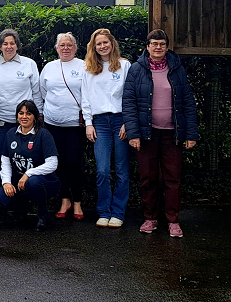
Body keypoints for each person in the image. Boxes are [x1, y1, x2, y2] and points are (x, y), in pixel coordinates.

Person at [123, 29, 198, 238]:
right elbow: (128, 103)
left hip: (172, 134)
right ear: (147, 47)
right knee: (148, 178)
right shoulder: (137, 70)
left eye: (162, 44)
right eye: (154, 44)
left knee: (172, 179)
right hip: (147, 134)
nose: (158, 47)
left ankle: (173, 220)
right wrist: (133, 133)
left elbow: (188, 102)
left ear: (167, 47)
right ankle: (150, 218)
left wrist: (191, 134)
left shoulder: (176, 69)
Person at [0, 29, 43, 207]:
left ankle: (22, 200)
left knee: (23, 161)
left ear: (17, 45)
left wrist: (38, 117)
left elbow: (37, 92)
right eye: (5, 43)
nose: (9, 46)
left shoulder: (29, 64)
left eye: (12, 43)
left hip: (23, 123)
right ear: (0, 46)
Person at [80, 28, 132, 228]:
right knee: (102, 170)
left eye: (105, 43)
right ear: (94, 47)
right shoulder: (89, 69)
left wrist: (128, 122)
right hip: (99, 124)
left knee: (121, 170)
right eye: (98, 44)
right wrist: (88, 124)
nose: (102, 46)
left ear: (112, 44)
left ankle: (118, 213)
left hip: (121, 122)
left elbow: (131, 96)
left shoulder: (125, 66)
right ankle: (104, 211)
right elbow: (86, 99)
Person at [0, 100, 60, 232]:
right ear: (17, 116)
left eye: (28, 113)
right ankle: (20, 211)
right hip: (20, 181)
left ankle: (42, 217)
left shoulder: (43, 134)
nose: (24, 117)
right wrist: (6, 183)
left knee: (32, 182)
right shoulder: (11, 134)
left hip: (45, 181)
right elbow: (5, 161)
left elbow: (53, 163)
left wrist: (29, 173)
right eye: (21, 113)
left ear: (35, 116)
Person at [39, 32, 86, 220]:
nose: (65, 48)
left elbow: (89, 93)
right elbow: (42, 92)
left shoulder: (84, 66)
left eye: (69, 45)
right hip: (53, 125)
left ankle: (77, 203)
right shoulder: (49, 67)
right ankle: (64, 200)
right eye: (62, 45)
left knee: (75, 163)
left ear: (75, 48)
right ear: (57, 48)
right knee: (59, 164)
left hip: (76, 125)